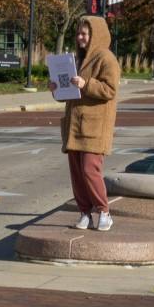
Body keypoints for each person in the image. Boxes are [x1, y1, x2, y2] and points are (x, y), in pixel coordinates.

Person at [58, 14, 121, 232]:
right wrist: (57, 88)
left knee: (89, 170)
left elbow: (110, 90)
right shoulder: (77, 59)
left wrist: (86, 84)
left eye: (84, 33)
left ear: (96, 35)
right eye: (78, 33)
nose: (80, 37)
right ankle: (84, 212)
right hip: (75, 127)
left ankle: (104, 211)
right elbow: (70, 93)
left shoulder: (106, 58)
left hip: (95, 128)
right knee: (77, 174)